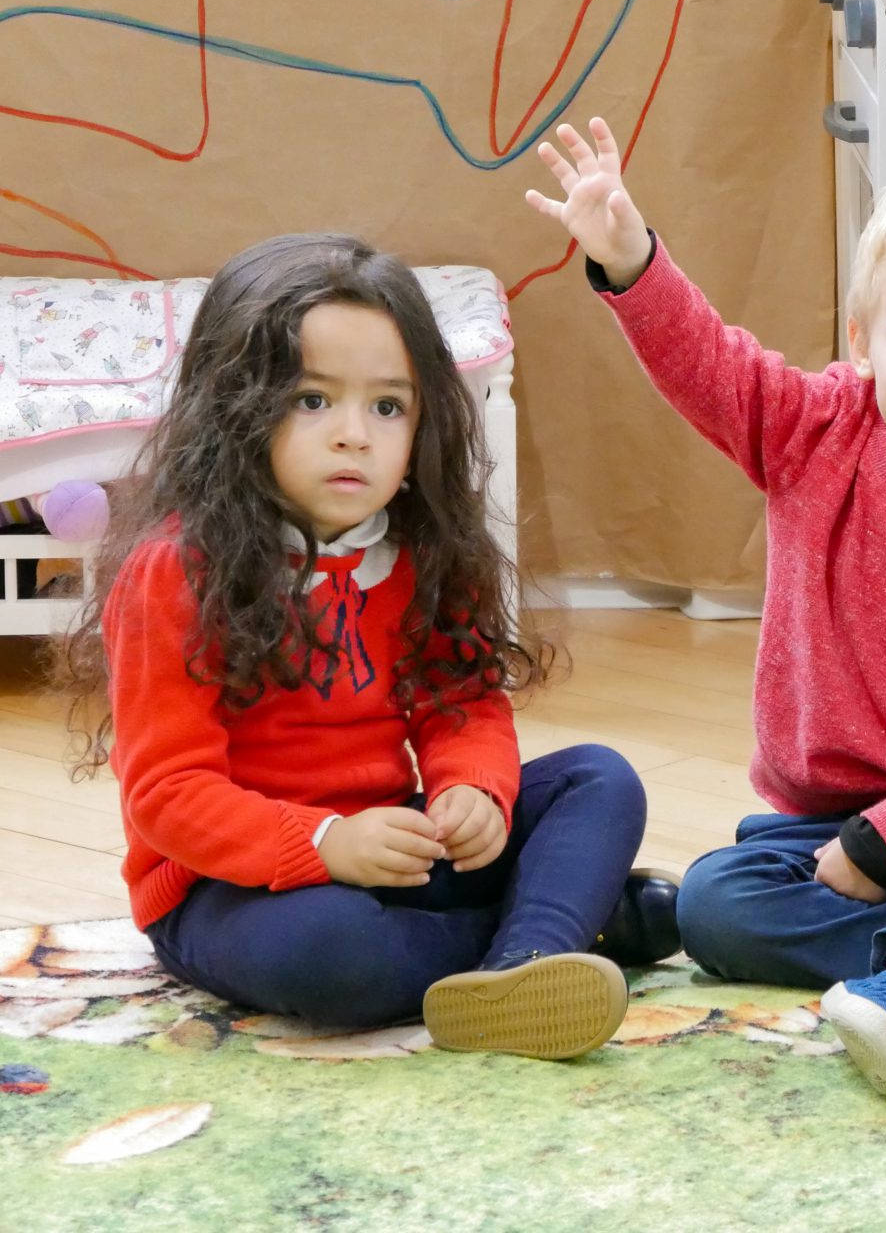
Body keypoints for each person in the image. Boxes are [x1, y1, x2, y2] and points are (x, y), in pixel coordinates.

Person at [525, 118, 886, 1096]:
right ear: (862, 337)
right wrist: (629, 258)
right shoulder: (815, 428)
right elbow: (712, 365)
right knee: (713, 902)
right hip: (819, 828)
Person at [63, 232, 661, 1061]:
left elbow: (463, 709)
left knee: (599, 779)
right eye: (312, 400)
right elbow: (168, 797)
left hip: (393, 843)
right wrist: (322, 846)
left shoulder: (422, 551)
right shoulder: (173, 570)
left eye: (388, 407)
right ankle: (563, 927)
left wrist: (473, 793)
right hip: (225, 887)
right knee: (334, 954)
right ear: (235, 405)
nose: (354, 434)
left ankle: (532, 959)